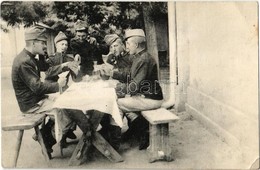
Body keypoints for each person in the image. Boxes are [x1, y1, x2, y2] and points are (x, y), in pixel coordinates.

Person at [11, 26, 94, 158]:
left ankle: (48, 136)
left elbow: (47, 67)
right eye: (43, 43)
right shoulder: (24, 62)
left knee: (69, 103)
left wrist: (64, 65)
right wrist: (58, 85)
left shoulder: (30, 57)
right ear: (33, 43)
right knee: (69, 109)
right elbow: (37, 87)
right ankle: (87, 134)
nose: (45, 46)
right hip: (32, 104)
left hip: (38, 99)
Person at [116, 29, 164, 150]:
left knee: (117, 103)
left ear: (136, 45)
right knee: (124, 102)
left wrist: (116, 89)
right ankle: (139, 131)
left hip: (151, 99)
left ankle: (114, 137)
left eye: (128, 44)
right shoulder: (139, 57)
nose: (126, 47)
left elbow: (134, 87)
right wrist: (113, 74)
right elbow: (129, 75)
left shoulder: (143, 59)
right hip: (145, 97)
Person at [45, 31, 80, 147]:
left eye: (66, 44)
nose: (64, 47)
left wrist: (76, 71)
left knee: (75, 104)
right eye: (62, 44)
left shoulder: (70, 57)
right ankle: (54, 134)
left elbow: (74, 75)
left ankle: (65, 133)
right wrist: (63, 66)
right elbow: (48, 72)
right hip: (53, 89)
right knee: (65, 109)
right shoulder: (50, 59)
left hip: (65, 88)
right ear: (56, 45)